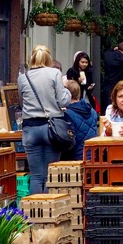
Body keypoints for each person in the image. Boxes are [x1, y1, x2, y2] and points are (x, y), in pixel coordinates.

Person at [18, 45, 71, 194]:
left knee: (35, 176)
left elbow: (22, 103)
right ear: (48, 58)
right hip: (51, 129)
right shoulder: (54, 73)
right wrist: (66, 88)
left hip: (30, 129)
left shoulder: (23, 77)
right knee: (49, 176)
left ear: (32, 58)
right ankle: (48, 213)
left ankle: (35, 214)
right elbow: (63, 101)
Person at [62, 80, 99, 160]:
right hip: (93, 156)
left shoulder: (67, 114)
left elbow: (68, 143)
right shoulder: (91, 110)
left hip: (76, 158)